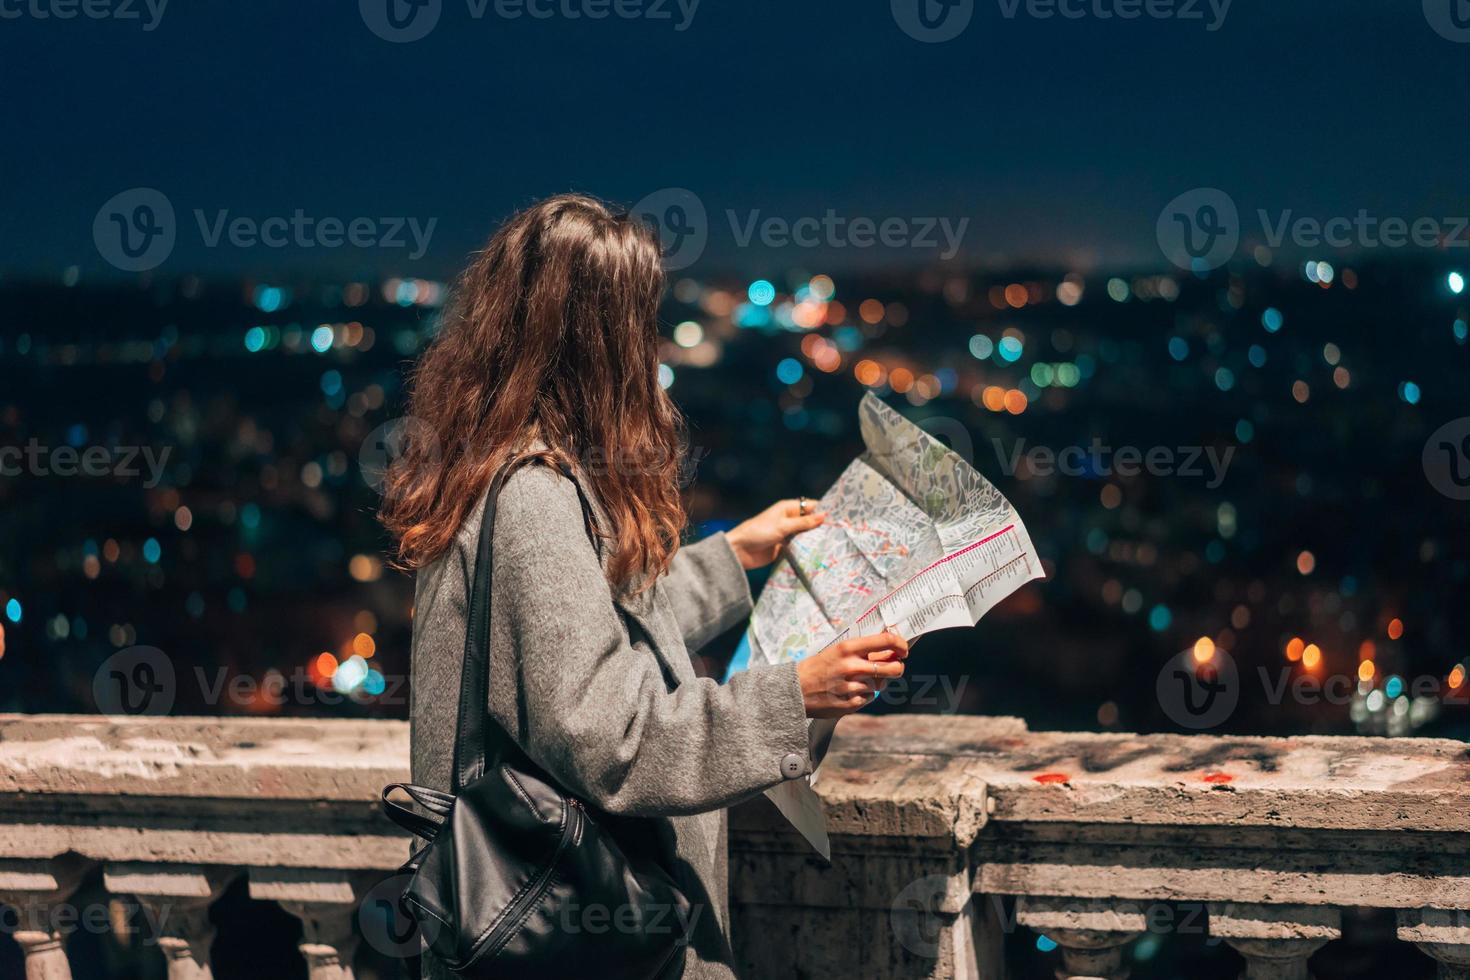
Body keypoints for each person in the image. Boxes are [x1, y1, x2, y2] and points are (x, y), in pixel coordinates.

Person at [382, 193, 908, 979]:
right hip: (579, 932)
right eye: (641, 319)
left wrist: (733, 555)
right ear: (600, 339)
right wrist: (790, 697)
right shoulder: (534, 493)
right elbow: (609, 734)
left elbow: (586, 623)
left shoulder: (494, 459)